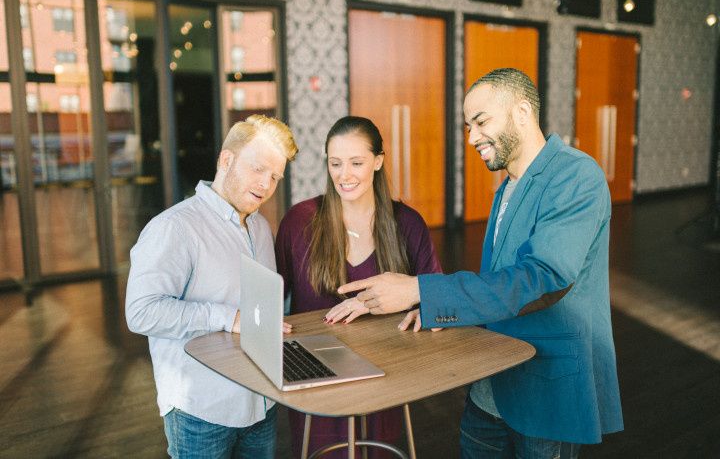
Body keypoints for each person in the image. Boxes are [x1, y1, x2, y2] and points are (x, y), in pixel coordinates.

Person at [334, 69, 624, 457]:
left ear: (522, 112)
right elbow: (499, 283)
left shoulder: (576, 175)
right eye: (468, 125)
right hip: (490, 383)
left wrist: (420, 288)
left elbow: (544, 278)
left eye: (481, 121)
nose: (471, 137)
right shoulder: (507, 186)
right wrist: (432, 306)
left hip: (544, 387)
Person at [125, 115, 298, 459]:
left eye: (275, 176)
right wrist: (229, 317)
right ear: (226, 159)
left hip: (261, 402)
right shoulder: (173, 228)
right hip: (202, 411)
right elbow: (141, 313)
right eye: (258, 168)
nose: (266, 184)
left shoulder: (261, 227)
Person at [275, 116, 442, 458]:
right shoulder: (298, 221)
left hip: (386, 371)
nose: (344, 174)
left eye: (356, 162)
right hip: (315, 374)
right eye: (335, 163)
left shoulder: (407, 223)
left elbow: (436, 295)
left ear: (378, 161)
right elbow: (271, 297)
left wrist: (413, 306)